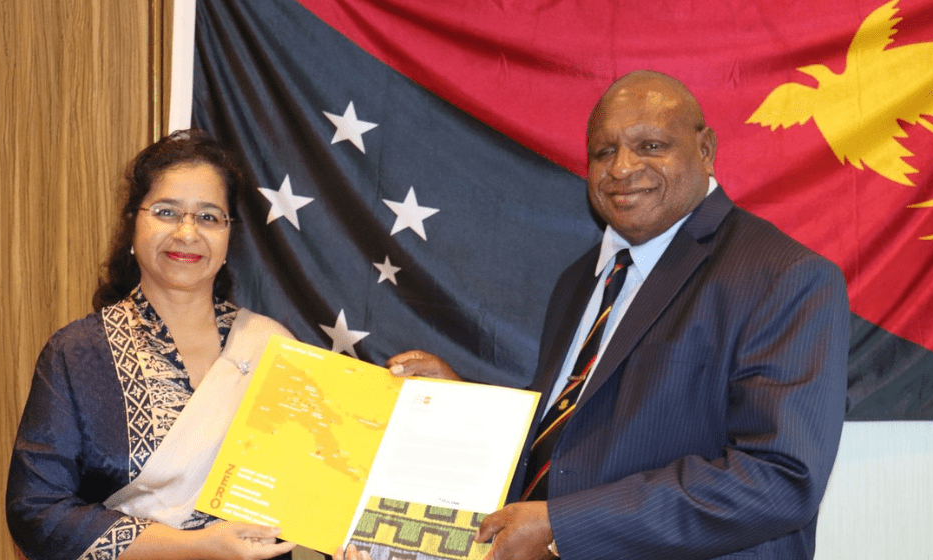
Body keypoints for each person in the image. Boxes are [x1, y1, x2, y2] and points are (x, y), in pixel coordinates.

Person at [364, 71, 851, 560]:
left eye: (652, 145)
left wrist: (563, 526)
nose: (622, 168)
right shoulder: (581, 281)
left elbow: (780, 480)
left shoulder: (784, 277)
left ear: (705, 149)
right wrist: (459, 414)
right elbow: (568, 447)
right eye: (604, 152)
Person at [6, 130, 298, 560]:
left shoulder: (275, 349)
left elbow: (324, 489)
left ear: (228, 235)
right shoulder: (78, 354)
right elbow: (37, 513)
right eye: (166, 212)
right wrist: (195, 547)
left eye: (208, 217)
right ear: (132, 223)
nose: (186, 233)